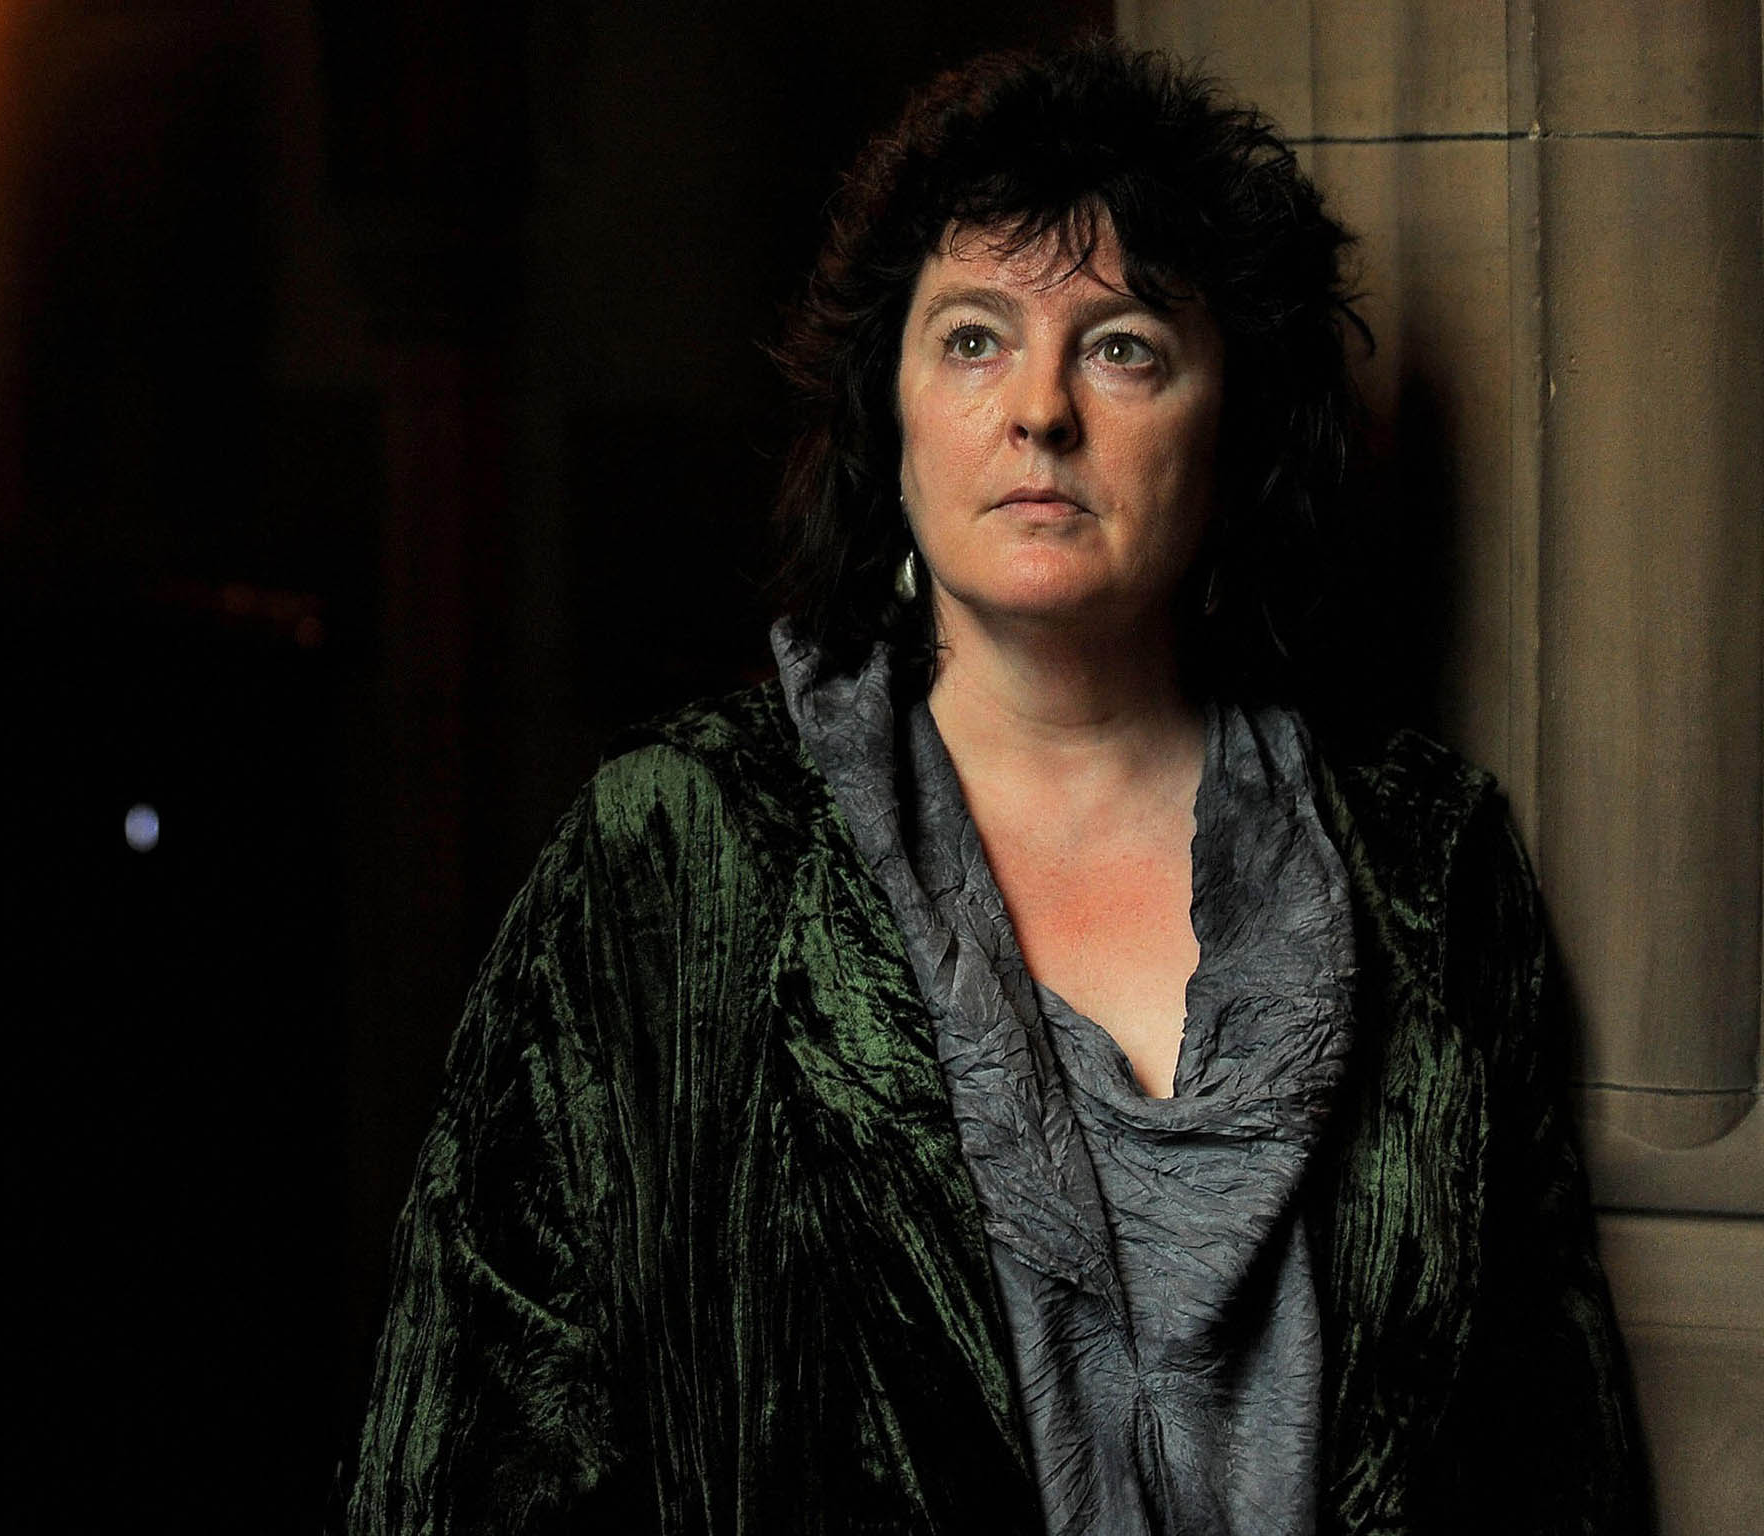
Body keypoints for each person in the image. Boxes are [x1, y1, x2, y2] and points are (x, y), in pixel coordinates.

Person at [336, 36, 1649, 1536]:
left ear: (1231, 430)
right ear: (887, 420)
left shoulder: (1427, 868)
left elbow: (1555, 1457)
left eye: (1123, 345)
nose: (1041, 408)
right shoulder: (682, 854)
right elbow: (473, 1459)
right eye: (972, 337)